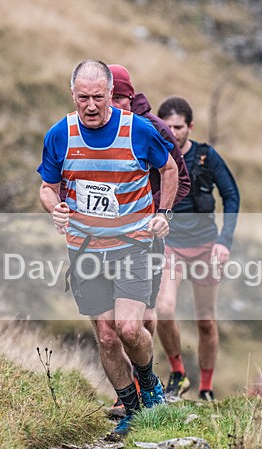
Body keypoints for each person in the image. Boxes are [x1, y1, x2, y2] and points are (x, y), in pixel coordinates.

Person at [38, 60, 179, 440]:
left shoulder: (138, 130)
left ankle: (150, 386)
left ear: (111, 96)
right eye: (83, 97)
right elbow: (47, 187)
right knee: (105, 334)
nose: (91, 105)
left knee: (130, 328)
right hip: (84, 249)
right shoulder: (60, 134)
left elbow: (168, 169)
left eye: (99, 97)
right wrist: (56, 207)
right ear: (73, 95)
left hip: (133, 244)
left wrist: (163, 213)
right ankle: (131, 410)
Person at [105, 64, 192, 418]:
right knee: (109, 325)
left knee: (142, 317)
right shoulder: (92, 129)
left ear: (131, 96)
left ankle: (144, 381)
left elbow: (179, 177)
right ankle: (127, 389)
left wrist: (159, 213)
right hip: (102, 237)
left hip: (145, 237)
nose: (113, 106)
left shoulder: (152, 128)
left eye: (119, 99)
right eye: (107, 99)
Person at [155, 95, 240, 402]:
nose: (173, 132)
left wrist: (224, 241)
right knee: (163, 309)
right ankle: (178, 373)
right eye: (167, 126)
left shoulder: (207, 157)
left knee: (205, 321)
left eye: (178, 126)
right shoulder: (156, 155)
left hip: (206, 247)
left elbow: (232, 197)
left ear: (190, 126)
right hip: (170, 247)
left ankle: (205, 388)